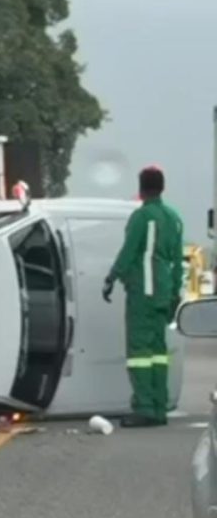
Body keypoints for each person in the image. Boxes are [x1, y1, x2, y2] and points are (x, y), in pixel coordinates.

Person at [102, 166, 184, 427]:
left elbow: (129, 252)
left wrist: (111, 278)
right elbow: (178, 263)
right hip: (163, 294)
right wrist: (174, 294)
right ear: (162, 187)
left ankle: (144, 407)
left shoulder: (142, 217)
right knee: (158, 353)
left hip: (142, 294)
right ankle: (159, 407)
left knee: (139, 352)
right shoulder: (174, 218)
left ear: (141, 188)